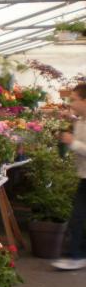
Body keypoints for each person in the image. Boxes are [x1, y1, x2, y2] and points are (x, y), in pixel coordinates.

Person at [53, 83, 86, 270]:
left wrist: (72, 142)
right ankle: (76, 255)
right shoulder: (81, 120)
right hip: (84, 176)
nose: (71, 103)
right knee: (78, 216)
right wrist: (72, 119)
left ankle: (76, 256)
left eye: (74, 100)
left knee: (78, 216)